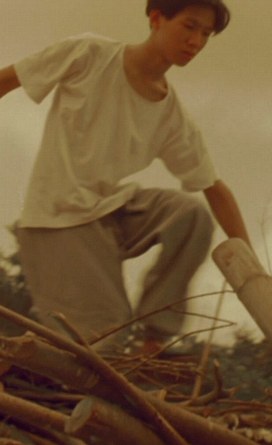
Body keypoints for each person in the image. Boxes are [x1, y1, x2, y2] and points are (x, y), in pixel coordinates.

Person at [0, 0, 251, 352]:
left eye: (206, 34)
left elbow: (214, 188)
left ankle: (154, 337)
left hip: (111, 211)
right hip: (56, 219)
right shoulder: (89, 54)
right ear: (156, 18)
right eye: (189, 26)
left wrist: (254, 269)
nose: (196, 41)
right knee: (104, 340)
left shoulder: (171, 114)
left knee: (191, 215)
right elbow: (7, 80)